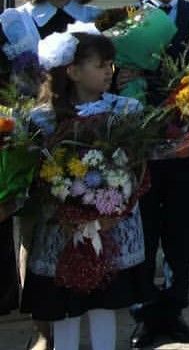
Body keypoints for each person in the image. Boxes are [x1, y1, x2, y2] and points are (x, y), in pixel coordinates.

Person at [0, 0, 100, 333]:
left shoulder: (94, 20)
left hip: (88, 142)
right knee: (37, 237)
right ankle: (44, 330)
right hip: (33, 142)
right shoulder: (14, 22)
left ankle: (80, 321)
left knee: (82, 232)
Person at [21, 30, 147, 350]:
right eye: (100, 64)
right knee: (66, 309)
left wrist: (113, 210)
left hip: (111, 227)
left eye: (111, 64)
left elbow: (136, 167)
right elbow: (37, 175)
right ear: (73, 71)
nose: (109, 71)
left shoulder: (125, 109)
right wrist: (70, 208)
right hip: (63, 229)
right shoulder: (44, 118)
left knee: (104, 305)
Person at [128, 0, 189, 348]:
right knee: (145, 233)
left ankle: (174, 312)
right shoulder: (128, 21)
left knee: (180, 235)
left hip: (187, 144)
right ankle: (145, 314)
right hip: (144, 144)